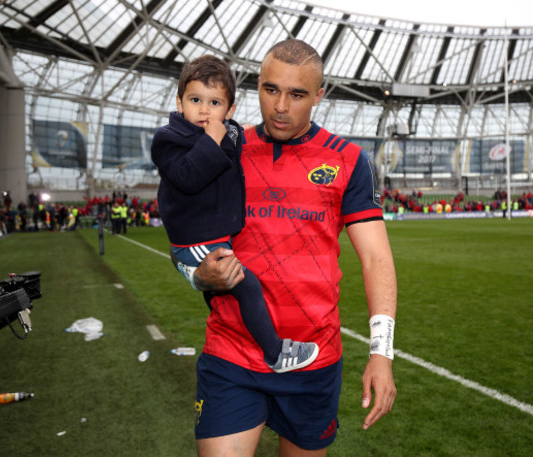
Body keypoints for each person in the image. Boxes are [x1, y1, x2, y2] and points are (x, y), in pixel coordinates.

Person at [190, 39, 398, 456]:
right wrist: (198, 275)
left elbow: (376, 257)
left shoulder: (350, 161)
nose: (280, 106)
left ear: (319, 96)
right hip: (234, 353)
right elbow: (189, 240)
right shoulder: (224, 151)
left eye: (297, 94)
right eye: (270, 90)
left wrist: (382, 352)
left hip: (313, 360)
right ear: (257, 87)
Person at [151, 55, 318, 373]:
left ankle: (254, 344)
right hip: (195, 239)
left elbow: (236, 151)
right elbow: (189, 176)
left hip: (218, 234)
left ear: (229, 111)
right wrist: (214, 139)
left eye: (214, 103)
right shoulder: (168, 139)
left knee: (229, 293)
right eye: (195, 100)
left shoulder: (227, 133)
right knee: (247, 285)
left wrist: (231, 134)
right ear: (179, 102)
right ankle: (275, 353)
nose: (203, 110)